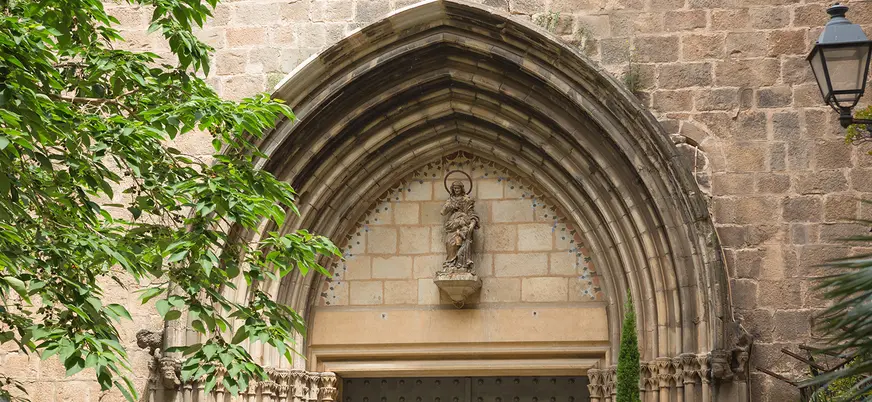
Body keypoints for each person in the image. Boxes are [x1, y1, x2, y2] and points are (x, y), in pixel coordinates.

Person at [440, 180, 480, 272]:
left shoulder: (466, 199)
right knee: (449, 242)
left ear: (461, 189)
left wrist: (472, 222)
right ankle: (450, 263)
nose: (456, 190)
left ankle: (461, 265)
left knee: (461, 244)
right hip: (452, 224)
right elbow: (443, 212)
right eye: (454, 188)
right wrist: (451, 206)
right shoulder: (450, 200)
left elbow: (471, 214)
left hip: (463, 223)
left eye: (458, 188)